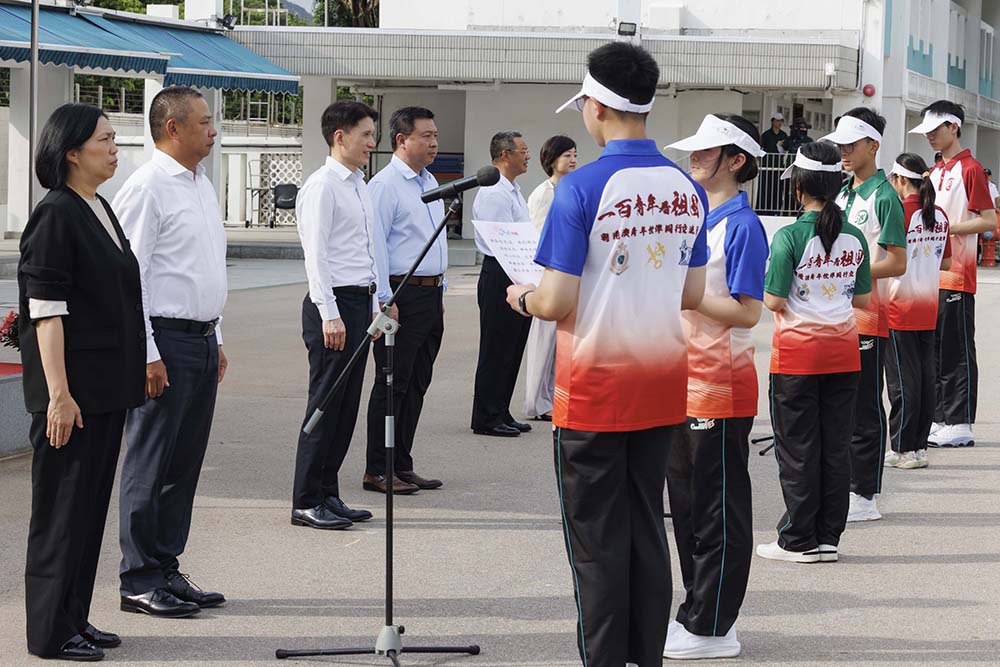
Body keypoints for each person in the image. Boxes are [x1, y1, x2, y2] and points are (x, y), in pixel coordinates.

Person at [506, 42, 709, 666]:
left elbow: (556, 299)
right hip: (663, 387)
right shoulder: (684, 186)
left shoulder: (580, 188)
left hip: (593, 393)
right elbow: (694, 292)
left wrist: (522, 295)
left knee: (596, 546)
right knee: (648, 530)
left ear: (594, 107)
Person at [18, 104, 144, 662]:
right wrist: (59, 396)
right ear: (71, 151)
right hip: (72, 396)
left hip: (104, 390)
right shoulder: (55, 215)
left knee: (89, 511)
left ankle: (74, 617)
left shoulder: (100, 207)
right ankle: (49, 632)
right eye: (105, 139)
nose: (115, 148)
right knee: (61, 515)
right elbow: (46, 312)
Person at [114, 86, 228, 618]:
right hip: (164, 340)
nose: (213, 130)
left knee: (184, 462)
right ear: (173, 128)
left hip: (201, 339)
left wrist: (218, 337)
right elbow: (129, 279)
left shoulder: (203, 185)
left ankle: (165, 566)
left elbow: (205, 268)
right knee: (150, 460)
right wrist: (147, 352)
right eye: (204, 122)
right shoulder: (147, 187)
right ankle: (138, 577)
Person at [662, 113, 769, 660]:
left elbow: (749, 313)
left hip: (721, 385)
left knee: (717, 508)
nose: (695, 159)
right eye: (694, 152)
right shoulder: (696, 216)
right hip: (682, 380)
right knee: (686, 504)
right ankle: (697, 609)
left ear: (737, 161)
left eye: (708, 152)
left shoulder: (742, 226)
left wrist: (689, 294)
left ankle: (713, 623)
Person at [757, 141, 872, 564]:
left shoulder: (789, 236)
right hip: (844, 356)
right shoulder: (854, 235)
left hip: (797, 359)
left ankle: (797, 539)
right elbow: (861, 300)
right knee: (834, 447)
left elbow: (772, 301)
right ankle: (828, 538)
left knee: (798, 449)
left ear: (799, 186)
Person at [292, 100, 384, 527]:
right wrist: (330, 314)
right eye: (365, 134)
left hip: (359, 302)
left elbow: (370, 249)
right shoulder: (322, 186)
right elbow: (317, 256)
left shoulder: (359, 184)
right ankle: (306, 499)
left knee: (347, 407)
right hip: (333, 304)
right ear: (339, 136)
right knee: (325, 405)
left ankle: (329, 493)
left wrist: (379, 300)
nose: (372, 142)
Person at [822, 109, 907, 524]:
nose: (843, 153)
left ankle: (866, 494)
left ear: (874, 146)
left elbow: (897, 263)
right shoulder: (841, 193)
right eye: (840, 146)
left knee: (865, 406)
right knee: (840, 406)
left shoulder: (885, 197)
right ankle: (847, 485)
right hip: (835, 316)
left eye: (851, 146)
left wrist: (849, 271)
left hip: (870, 318)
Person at [365, 106, 446, 495]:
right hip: (400, 294)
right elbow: (376, 245)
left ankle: (402, 463)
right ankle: (377, 469)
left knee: (416, 382)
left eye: (435, 135)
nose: (434, 142)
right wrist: (383, 298)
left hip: (431, 295)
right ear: (402, 140)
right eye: (426, 136)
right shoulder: (385, 186)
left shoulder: (430, 183)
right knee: (391, 384)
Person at [908, 101, 998, 447]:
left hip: (958, 274)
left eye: (935, 130)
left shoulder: (971, 169)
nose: (930, 137)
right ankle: (940, 417)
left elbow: (989, 220)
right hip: (930, 276)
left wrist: (947, 229)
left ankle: (960, 422)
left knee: (956, 350)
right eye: (926, 132)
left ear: (954, 128)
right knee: (934, 351)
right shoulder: (935, 172)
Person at [884, 154, 951, 471]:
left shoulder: (901, 213)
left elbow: (889, 259)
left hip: (900, 308)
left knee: (901, 383)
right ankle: (919, 447)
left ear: (898, 180)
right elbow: (947, 263)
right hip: (930, 306)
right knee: (925, 379)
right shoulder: (939, 215)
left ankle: (902, 448)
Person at [470, 130, 534, 437]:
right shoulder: (494, 192)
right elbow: (501, 240)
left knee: (512, 346)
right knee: (496, 347)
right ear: (504, 155)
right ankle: (486, 415)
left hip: (518, 271)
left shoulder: (512, 189)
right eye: (522, 150)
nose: (528, 155)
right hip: (501, 272)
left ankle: (501, 409)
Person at [523, 135, 577, 421]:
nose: (572, 159)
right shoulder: (545, 193)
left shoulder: (570, 190)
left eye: (574, 154)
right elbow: (538, 235)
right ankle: (536, 401)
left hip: (567, 273)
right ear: (552, 160)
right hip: (548, 273)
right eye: (566, 154)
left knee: (560, 343)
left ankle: (552, 398)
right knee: (543, 342)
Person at [757, 113, 788, 215]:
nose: (779, 123)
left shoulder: (783, 135)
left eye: (781, 121)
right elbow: (759, 148)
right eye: (777, 120)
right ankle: (763, 209)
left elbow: (786, 148)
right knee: (765, 189)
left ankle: (776, 209)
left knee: (778, 189)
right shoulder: (766, 135)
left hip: (779, 167)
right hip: (767, 166)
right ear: (772, 121)